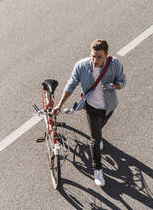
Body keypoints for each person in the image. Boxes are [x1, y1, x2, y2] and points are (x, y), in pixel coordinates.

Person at [52, 39, 126, 186]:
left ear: (106, 55)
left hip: (109, 107)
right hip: (91, 107)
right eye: (93, 56)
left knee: (98, 130)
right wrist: (59, 105)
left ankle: (97, 137)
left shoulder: (115, 64)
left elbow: (122, 81)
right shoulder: (81, 66)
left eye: (99, 57)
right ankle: (97, 170)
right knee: (95, 140)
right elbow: (71, 84)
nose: (95, 60)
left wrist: (115, 86)